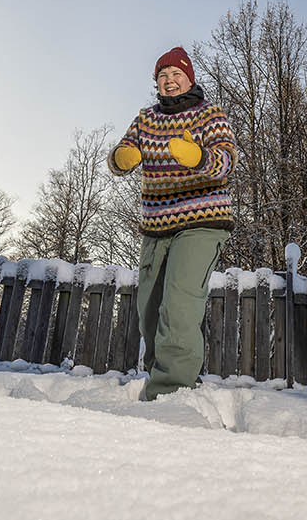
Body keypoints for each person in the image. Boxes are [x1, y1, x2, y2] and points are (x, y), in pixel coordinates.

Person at [108, 46, 238, 400]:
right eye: (162, 77)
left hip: (202, 218)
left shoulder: (209, 114)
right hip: (156, 223)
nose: (169, 81)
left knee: (178, 304)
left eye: (176, 75)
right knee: (148, 310)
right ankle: (157, 374)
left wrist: (199, 157)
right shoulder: (146, 118)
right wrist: (122, 158)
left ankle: (171, 394)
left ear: (189, 78)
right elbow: (119, 157)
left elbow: (226, 160)